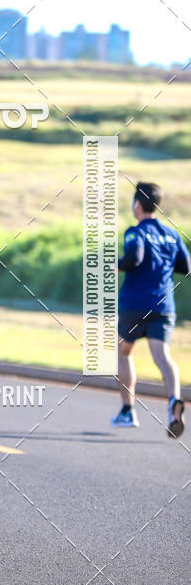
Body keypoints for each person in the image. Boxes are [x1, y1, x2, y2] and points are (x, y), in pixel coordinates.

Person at [111, 182, 190, 437]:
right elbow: (185, 265)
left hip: (134, 306)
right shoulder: (172, 234)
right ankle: (173, 402)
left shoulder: (135, 232)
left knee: (123, 352)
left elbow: (135, 256)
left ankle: (127, 411)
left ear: (137, 205)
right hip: (164, 306)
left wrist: (119, 265)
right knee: (163, 357)